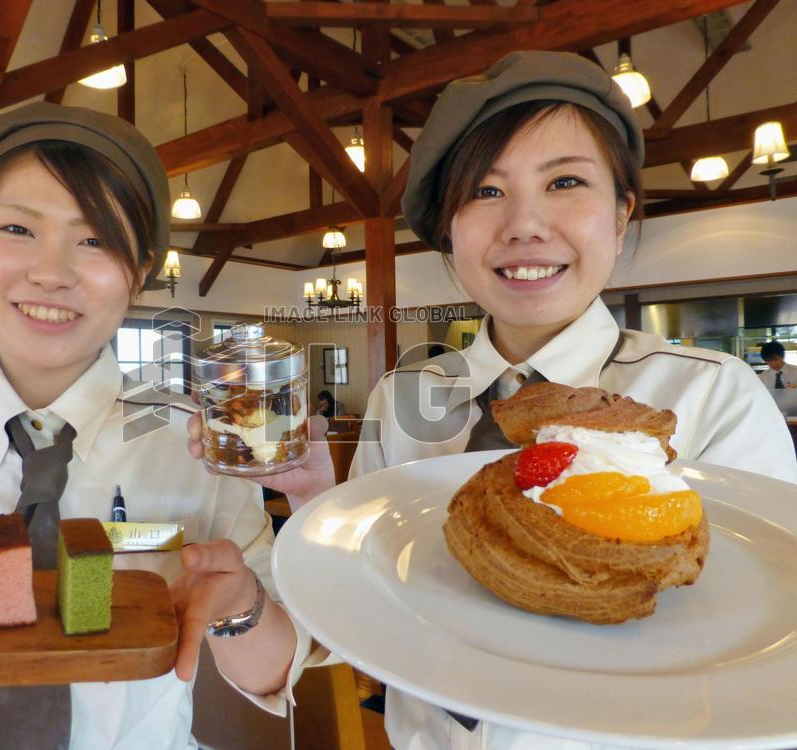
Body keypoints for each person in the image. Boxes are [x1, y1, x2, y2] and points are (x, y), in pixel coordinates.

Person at [188, 50, 797, 750]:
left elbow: (760, 662)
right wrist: (315, 502)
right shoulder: (407, 399)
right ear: (448, 230)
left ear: (622, 212)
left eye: (565, 181)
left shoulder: (709, 398)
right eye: (484, 190)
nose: (525, 225)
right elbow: (359, 629)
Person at [0, 103, 313, 750]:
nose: (52, 272)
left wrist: (238, 606)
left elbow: (273, 678)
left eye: (95, 239)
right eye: (17, 228)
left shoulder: (193, 445)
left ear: (142, 269)